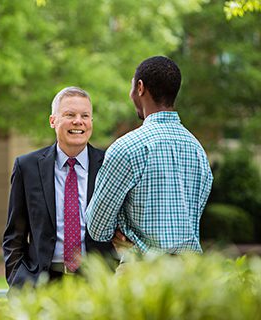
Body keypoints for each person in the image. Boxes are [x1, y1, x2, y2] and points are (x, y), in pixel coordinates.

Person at [86, 56, 213, 260]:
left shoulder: (126, 148)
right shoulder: (198, 151)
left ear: (140, 87)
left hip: (141, 273)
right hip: (191, 276)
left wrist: (121, 230)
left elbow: (98, 227)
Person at [3, 86, 115, 288]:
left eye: (85, 115)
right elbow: (14, 235)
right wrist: (19, 281)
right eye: (70, 114)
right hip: (42, 284)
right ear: (52, 121)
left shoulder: (110, 165)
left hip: (96, 284)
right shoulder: (27, 167)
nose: (78, 121)